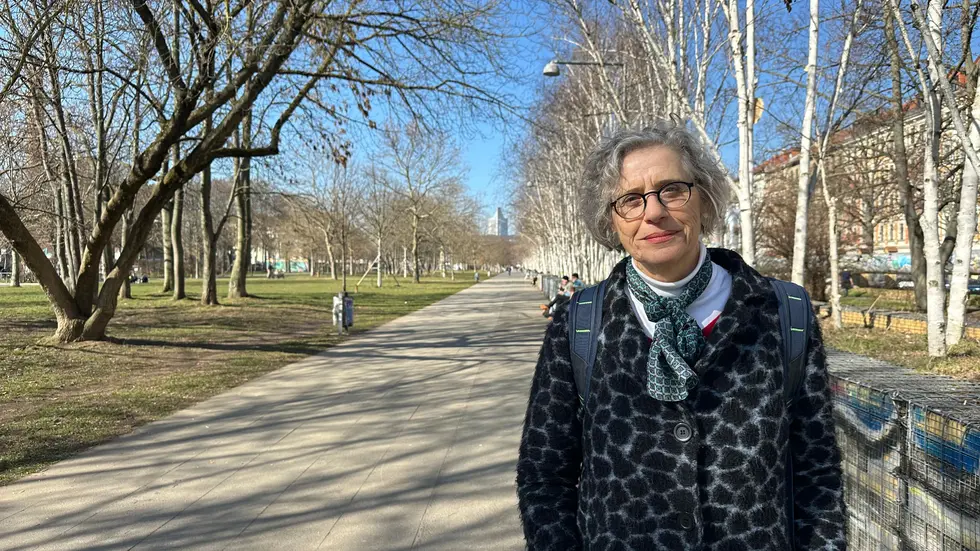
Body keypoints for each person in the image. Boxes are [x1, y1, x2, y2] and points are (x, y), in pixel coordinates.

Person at [516, 120, 845, 550]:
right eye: (630, 199)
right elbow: (544, 476)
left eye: (672, 190)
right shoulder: (579, 323)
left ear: (704, 199)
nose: (654, 212)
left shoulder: (783, 313)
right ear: (610, 221)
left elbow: (818, 473)